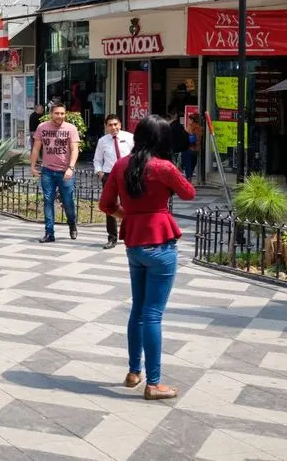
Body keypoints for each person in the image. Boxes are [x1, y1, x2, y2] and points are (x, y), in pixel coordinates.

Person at [98, 115, 195, 400]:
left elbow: (105, 204)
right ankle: (153, 382)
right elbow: (189, 193)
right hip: (161, 244)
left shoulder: (120, 165)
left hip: (134, 244)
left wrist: (125, 214)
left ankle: (133, 371)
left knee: (138, 310)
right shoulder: (163, 167)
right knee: (153, 314)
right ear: (162, 140)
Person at [29, 103, 80, 243]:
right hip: (47, 171)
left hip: (65, 172)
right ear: (51, 113)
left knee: (68, 202)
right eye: (57, 113)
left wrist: (71, 167)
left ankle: (72, 223)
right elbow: (36, 148)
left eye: (62, 114)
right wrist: (33, 167)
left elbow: (75, 149)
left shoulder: (71, 128)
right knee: (48, 201)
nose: (60, 116)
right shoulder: (42, 127)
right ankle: (49, 232)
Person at [94, 114, 135, 249]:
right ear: (106, 127)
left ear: (120, 125)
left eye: (115, 124)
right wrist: (100, 173)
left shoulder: (129, 137)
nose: (113, 127)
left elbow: (136, 156)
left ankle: (130, 234)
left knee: (128, 205)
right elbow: (98, 159)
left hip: (127, 175)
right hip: (109, 175)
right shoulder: (102, 141)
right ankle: (112, 237)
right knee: (109, 206)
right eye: (110, 125)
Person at [182, 113, 203, 181]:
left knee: (187, 165)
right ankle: (190, 176)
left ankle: (189, 179)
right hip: (196, 150)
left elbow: (185, 137)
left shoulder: (189, 127)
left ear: (191, 120)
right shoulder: (200, 128)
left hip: (188, 148)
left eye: (189, 119)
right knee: (193, 164)